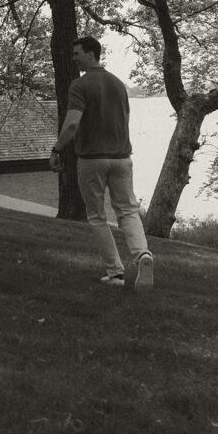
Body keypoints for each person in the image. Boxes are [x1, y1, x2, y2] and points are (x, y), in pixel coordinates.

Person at [49, 36, 154, 292]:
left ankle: (115, 272)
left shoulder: (79, 85)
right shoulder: (119, 84)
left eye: (77, 54)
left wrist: (57, 149)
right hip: (122, 159)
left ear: (91, 54)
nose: (73, 59)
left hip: (92, 160)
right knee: (128, 211)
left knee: (97, 216)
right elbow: (124, 120)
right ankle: (142, 254)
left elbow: (72, 123)